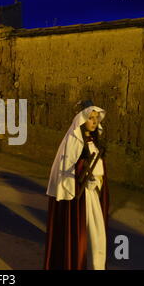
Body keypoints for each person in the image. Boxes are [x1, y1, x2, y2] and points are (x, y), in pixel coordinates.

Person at [44, 100, 109, 270]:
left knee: (97, 239)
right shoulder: (73, 141)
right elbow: (66, 169)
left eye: (97, 118)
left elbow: (100, 168)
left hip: (93, 195)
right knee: (82, 238)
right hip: (79, 198)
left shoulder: (94, 141)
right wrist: (83, 175)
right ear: (82, 119)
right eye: (91, 118)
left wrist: (99, 181)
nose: (95, 122)